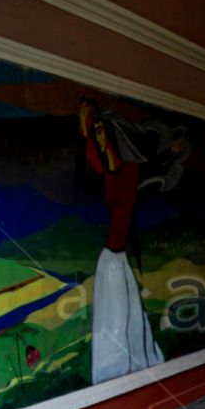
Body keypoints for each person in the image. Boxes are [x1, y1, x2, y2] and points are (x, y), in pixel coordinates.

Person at [79, 98, 187, 384]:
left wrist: (170, 155)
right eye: (98, 132)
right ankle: (116, 370)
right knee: (120, 318)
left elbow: (143, 166)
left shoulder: (127, 171)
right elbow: (93, 156)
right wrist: (87, 126)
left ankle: (126, 366)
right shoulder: (113, 172)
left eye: (103, 132)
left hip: (117, 259)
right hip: (112, 258)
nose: (100, 138)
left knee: (126, 318)